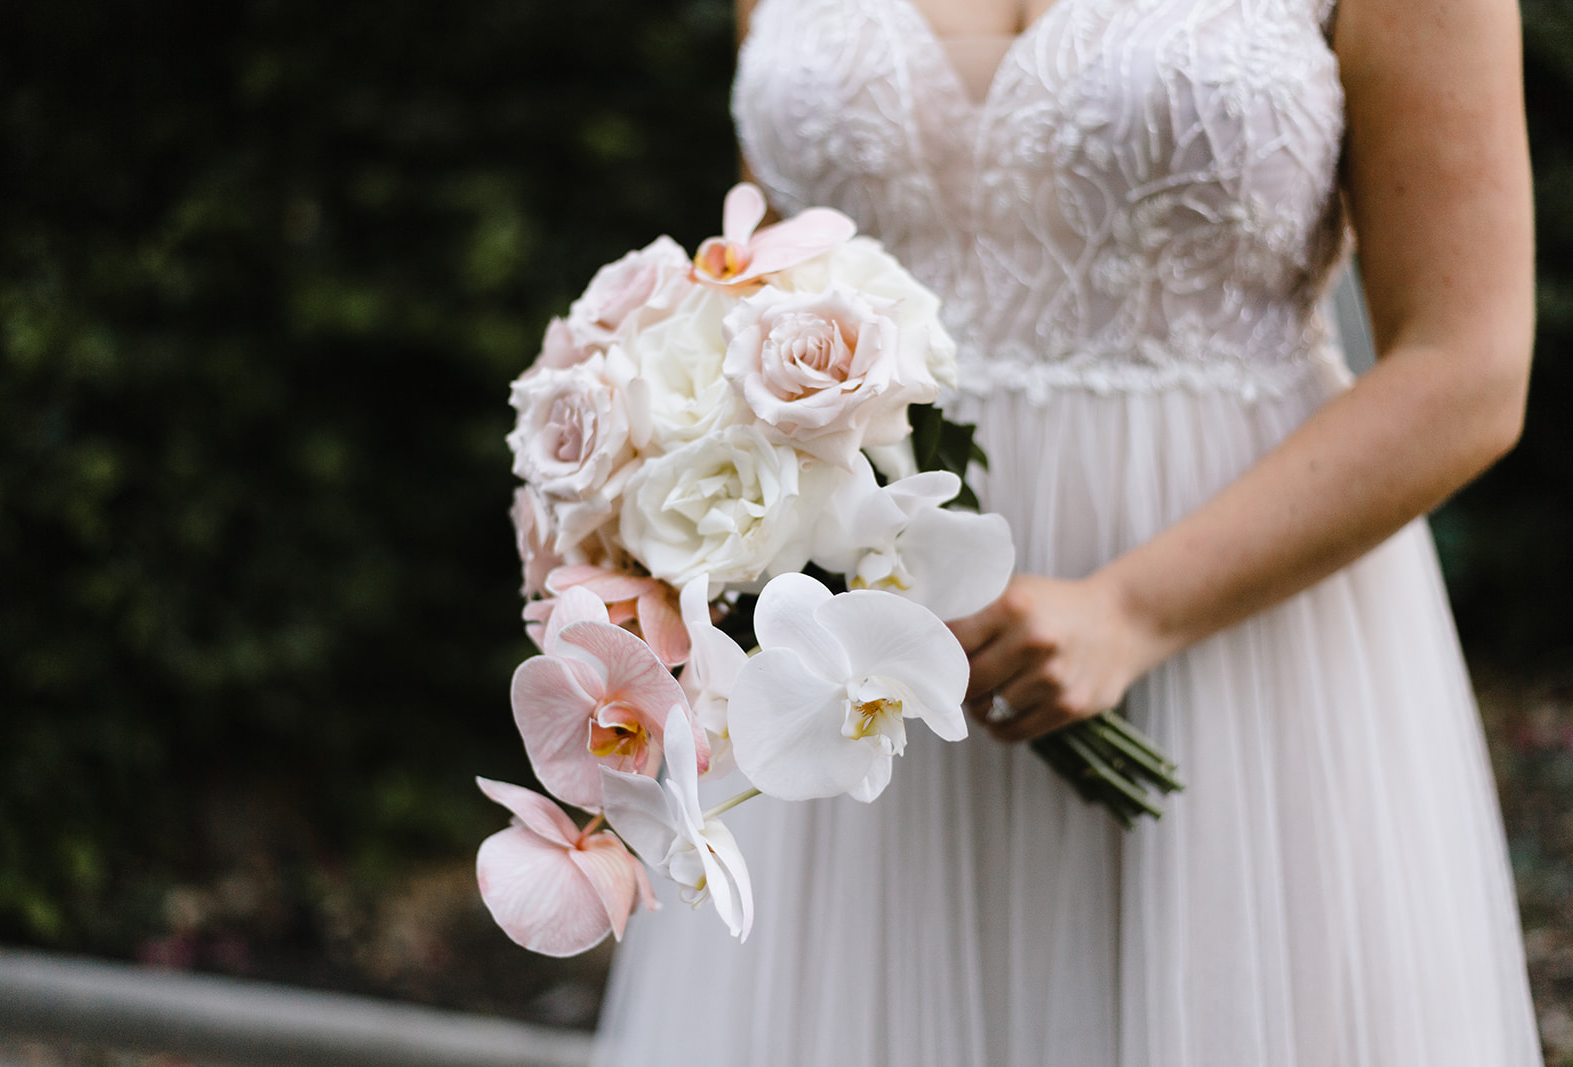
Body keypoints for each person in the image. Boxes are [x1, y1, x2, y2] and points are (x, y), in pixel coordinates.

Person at [593, 0, 1541, 1062]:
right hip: (859, 676)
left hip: (1247, 645)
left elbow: (1470, 367)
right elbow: (760, 295)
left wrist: (1132, 609)